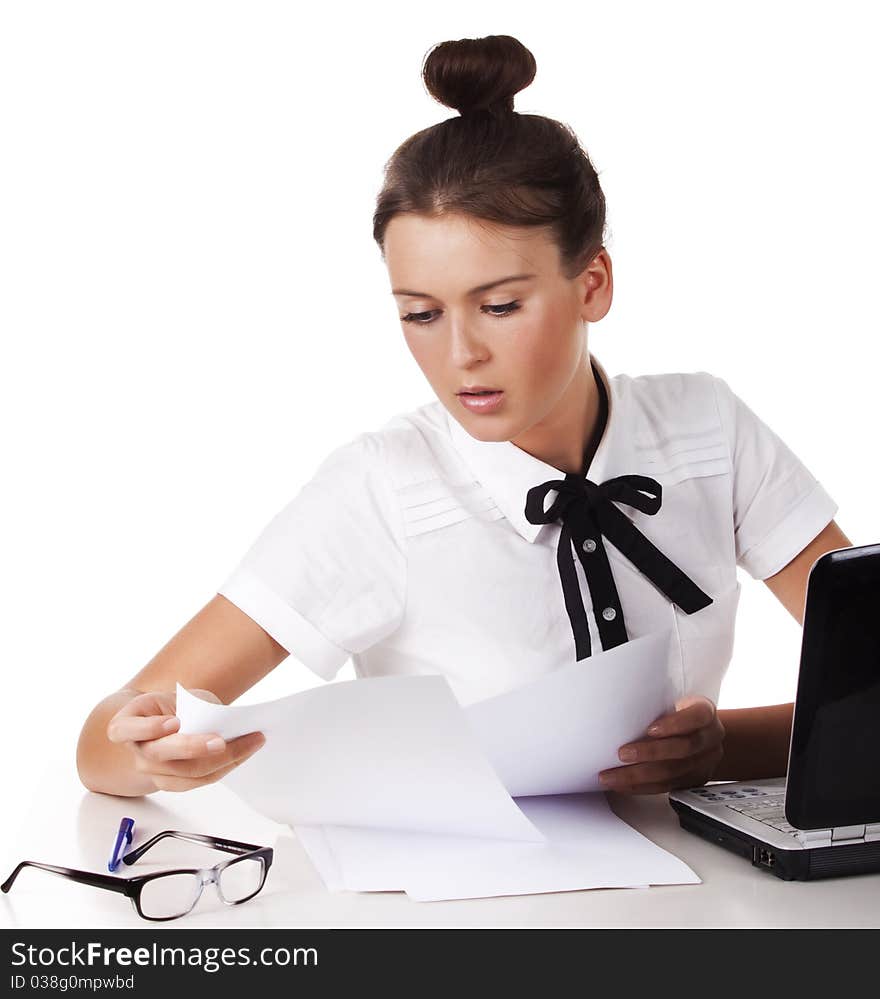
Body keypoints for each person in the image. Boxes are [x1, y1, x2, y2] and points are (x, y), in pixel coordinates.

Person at [76, 33, 851, 800]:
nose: (461, 354)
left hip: (704, 901)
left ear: (593, 284)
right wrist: (144, 754)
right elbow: (104, 738)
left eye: (501, 305)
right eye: (420, 313)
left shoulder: (708, 430)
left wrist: (718, 747)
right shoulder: (380, 487)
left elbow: (873, 692)